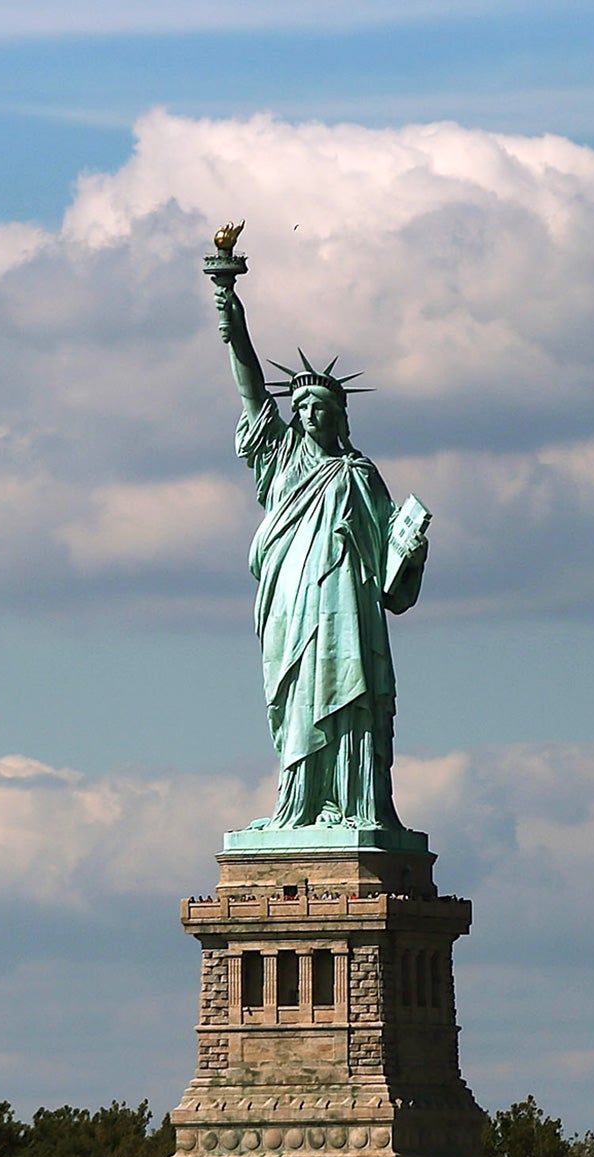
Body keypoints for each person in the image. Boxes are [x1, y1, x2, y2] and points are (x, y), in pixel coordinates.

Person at [216, 281, 427, 832]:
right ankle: (300, 803)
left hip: (347, 604)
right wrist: (235, 322)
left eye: (320, 406)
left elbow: (388, 572)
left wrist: (413, 552)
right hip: (291, 599)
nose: (308, 413)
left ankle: (355, 804)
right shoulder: (279, 458)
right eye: (301, 405)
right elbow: (250, 389)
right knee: (296, 696)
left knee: (348, 688)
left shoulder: (360, 474)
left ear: (339, 415)